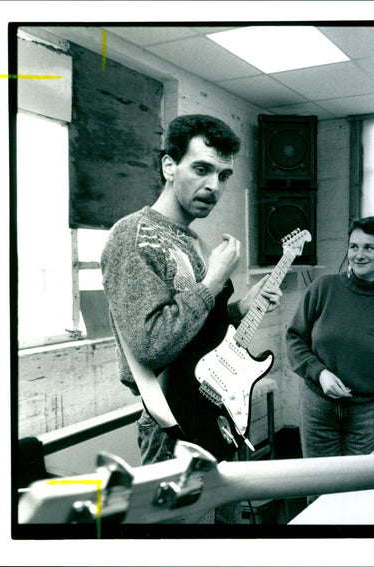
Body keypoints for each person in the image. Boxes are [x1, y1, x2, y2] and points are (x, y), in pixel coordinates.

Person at [101, 114, 282, 522]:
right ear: (169, 166)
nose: (214, 186)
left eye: (223, 175)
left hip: (216, 419)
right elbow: (150, 344)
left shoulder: (194, 239)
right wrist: (214, 279)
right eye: (201, 169)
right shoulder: (133, 236)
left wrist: (241, 306)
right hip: (174, 432)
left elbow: (204, 333)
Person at [287, 216, 374, 458]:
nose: (358, 254)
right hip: (318, 407)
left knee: (360, 488)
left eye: (369, 247)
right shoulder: (323, 288)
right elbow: (294, 339)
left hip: (370, 414)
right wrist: (319, 372)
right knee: (317, 485)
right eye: (353, 246)